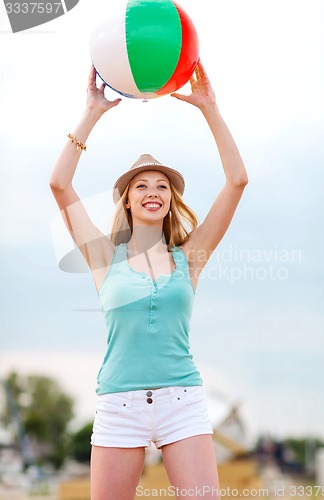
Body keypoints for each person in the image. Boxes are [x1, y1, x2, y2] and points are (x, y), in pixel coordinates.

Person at [49, 60, 248, 500]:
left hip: (183, 403)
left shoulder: (190, 257)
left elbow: (237, 181)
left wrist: (209, 108)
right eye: (141, 186)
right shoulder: (103, 256)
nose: (153, 191)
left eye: (162, 185)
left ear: (171, 201)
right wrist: (92, 111)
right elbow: (60, 185)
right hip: (120, 405)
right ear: (126, 200)